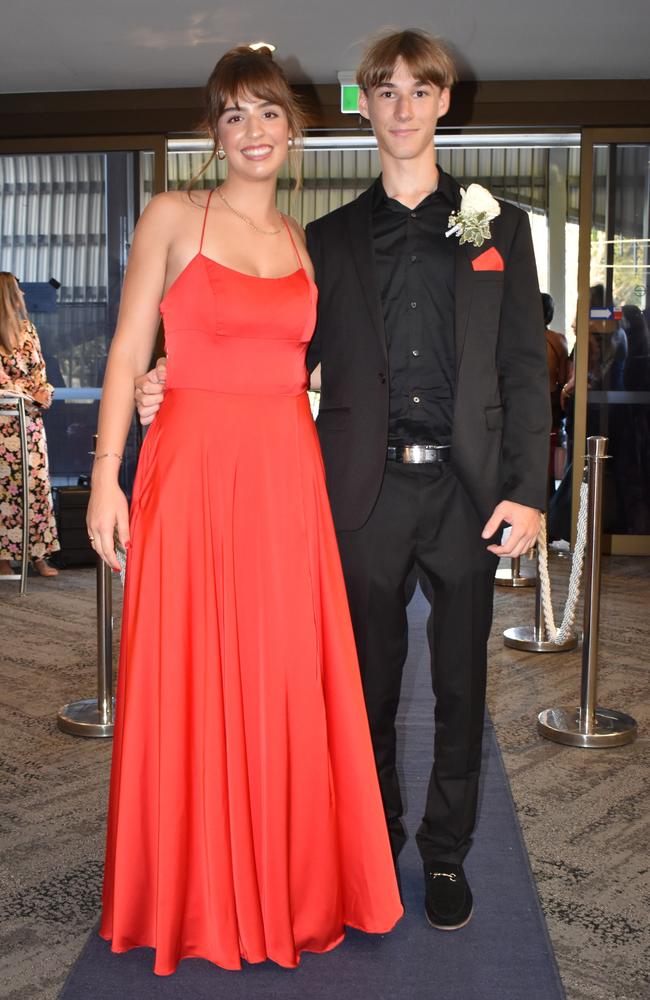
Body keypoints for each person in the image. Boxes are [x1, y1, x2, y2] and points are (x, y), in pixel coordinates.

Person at [136, 30, 550, 935]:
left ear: (444, 102)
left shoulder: (496, 225)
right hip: (357, 493)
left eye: (418, 92)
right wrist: (168, 374)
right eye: (384, 93)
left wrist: (530, 490)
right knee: (360, 688)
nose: (402, 109)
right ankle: (376, 846)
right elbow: (275, 344)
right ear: (364, 106)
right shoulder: (324, 237)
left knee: (460, 685)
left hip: (472, 497)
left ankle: (444, 854)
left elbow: (524, 364)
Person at [86, 45, 401, 976]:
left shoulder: (306, 245)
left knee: (279, 677)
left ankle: (282, 884)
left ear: (294, 130)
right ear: (214, 133)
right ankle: (193, 892)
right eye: (234, 116)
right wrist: (108, 471)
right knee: (188, 674)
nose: (253, 132)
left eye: (268, 114)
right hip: (188, 477)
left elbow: (302, 370)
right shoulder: (176, 216)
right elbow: (126, 347)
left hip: (283, 481)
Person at [0, 272, 60, 577]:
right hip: (3, 424)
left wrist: (42, 391)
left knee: (36, 485)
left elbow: (40, 370)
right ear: (9, 295)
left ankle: (39, 556)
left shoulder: (28, 329)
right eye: (19, 290)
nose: (24, 294)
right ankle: (4, 558)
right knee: (5, 491)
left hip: (30, 422)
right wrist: (27, 390)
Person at [541, 292, 569, 494]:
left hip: (523, 403)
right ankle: (548, 493)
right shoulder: (558, 340)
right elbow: (564, 377)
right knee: (548, 452)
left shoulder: (518, 339)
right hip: (549, 401)